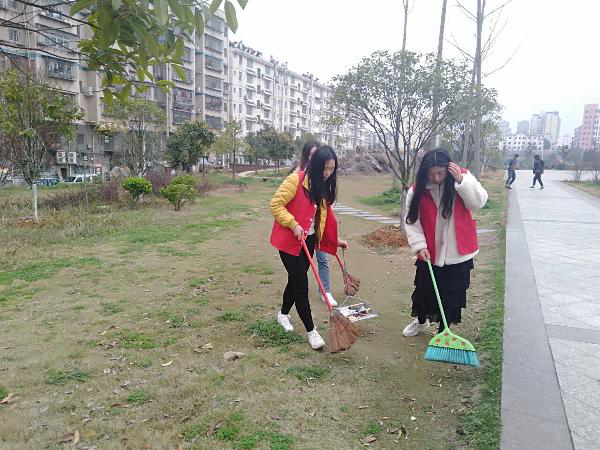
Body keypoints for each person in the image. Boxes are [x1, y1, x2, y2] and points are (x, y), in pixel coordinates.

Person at [402, 149, 488, 337]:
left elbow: (478, 203)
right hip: (430, 251)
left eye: (440, 173)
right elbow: (412, 221)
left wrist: (461, 182)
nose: (436, 178)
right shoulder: (417, 190)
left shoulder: (463, 178)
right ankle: (421, 321)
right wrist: (419, 246)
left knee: (451, 295)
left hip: (459, 252)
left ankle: (444, 332)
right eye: (431, 173)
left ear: (448, 168)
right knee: (424, 291)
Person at [270, 146, 348, 350]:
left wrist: (334, 240)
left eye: (331, 169)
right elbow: (276, 205)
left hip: (309, 241)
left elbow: (321, 218)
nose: (328, 173)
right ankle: (311, 331)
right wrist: (293, 224)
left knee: (295, 281)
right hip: (289, 242)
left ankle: (283, 314)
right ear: (315, 165)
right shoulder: (295, 179)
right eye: (324, 168)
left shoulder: (322, 186)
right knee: (302, 285)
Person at [293, 141, 336, 307]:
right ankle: (289, 303)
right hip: (302, 230)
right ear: (306, 156)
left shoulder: (324, 178)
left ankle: (326, 291)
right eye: (312, 155)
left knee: (322, 258)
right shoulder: (298, 176)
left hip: (318, 228)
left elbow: (326, 205)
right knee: (299, 270)